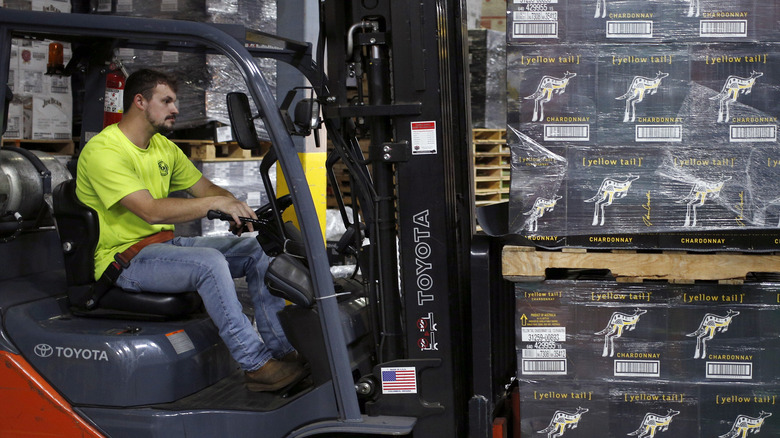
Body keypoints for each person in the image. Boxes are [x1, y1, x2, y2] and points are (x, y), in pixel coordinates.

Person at [76, 69, 306, 392]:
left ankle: (283, 352)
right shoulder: (105, 151)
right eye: (167, 101)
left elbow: (204, 187)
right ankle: (256, 366)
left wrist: (238, 208)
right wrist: (216, 206)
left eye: (175, 101)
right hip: (126, 260)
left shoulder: (162, 149)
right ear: (139, 102)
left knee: (257, 251)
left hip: (165, 246)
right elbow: (150, 210)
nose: (176, 109)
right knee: (209, 263)